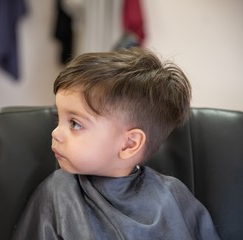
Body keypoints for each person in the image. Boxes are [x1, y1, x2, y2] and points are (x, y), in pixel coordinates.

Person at [11, 47, 220, 240]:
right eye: (59, 119)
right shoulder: (57, 194)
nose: (56, 133)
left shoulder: (174, 197)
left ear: (129, 144)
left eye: (74, 124)